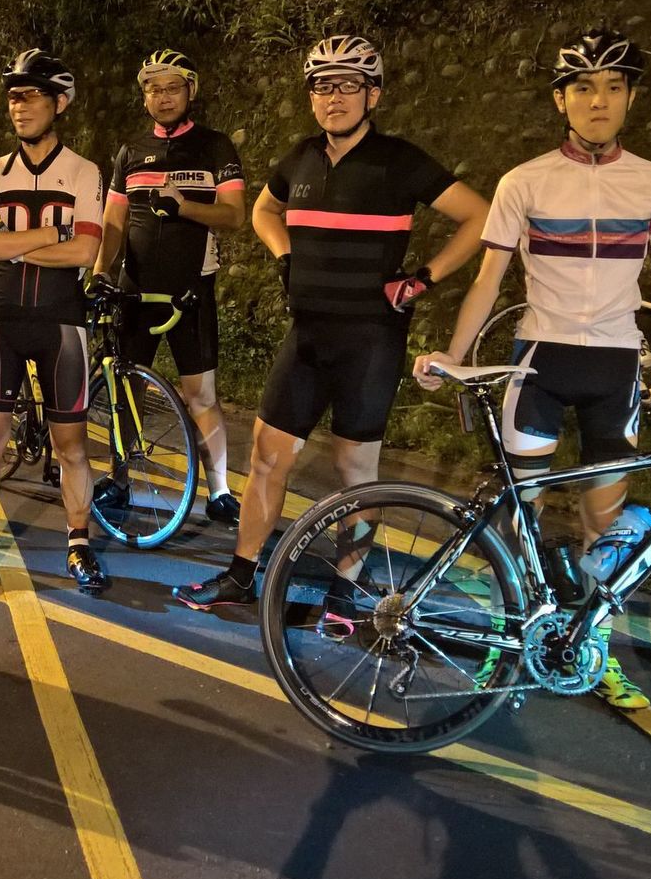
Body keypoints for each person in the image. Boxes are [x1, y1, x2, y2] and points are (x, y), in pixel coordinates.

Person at [412, 26, 651, 710]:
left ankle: (595, 649)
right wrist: (454, 353)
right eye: (584, 88)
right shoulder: (525, 181)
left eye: (614, 88)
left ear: (630, 99)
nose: (600, 101)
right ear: (560, 100)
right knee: (520, 513)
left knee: (607, 526)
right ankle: (508, 640)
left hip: (615, 366)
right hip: (539, 360)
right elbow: (488, 279)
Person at [173, 34, 489, 613]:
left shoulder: (398, 160)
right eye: (322, 86)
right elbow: (264, 209)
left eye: (348, 85)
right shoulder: (301, 157)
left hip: (370, 338)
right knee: (267, 455)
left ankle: (346, 592)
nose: (333, 97)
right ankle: (242, 575)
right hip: (308, 334)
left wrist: (422, 278)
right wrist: (285, 256)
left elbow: (478, 216)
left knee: (355, 469)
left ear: (374, 95)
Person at [0, 49, 107, 595]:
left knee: (72, 446)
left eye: (31, 95)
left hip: (62, 320)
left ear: (59, 103)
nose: (19, 106)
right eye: (13, 97)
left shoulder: (84, 171)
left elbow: (86, 252)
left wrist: (11, 244)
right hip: (2, 318)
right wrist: (51, 235)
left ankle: (78, 543)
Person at [89, 49, 245, 524]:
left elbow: (235, 215)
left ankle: (220, 491)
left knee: (202, 395)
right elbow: (114, 220)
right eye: (153, 89)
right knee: (126, 387)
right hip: (135, 289)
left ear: (190, 91)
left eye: (172, 87)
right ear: (144, 98)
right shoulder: (130, 151)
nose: (163, 97)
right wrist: (100, 271)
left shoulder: (215, 147)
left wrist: (185, 207)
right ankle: (119, 479)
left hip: (190, 290)